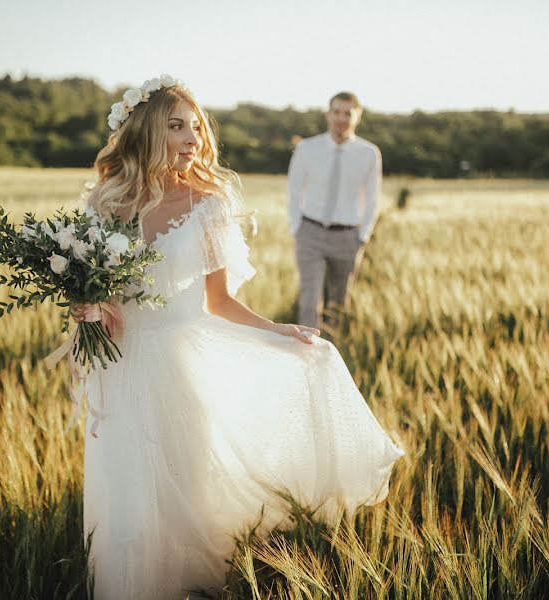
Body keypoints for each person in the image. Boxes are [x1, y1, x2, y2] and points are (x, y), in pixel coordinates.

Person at [72, 76, 403, 599]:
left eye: (197, 127)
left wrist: (279, 330)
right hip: (124, 363)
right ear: (146, 129)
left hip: (181, 366)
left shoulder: (208, 203)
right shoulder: (107, 202)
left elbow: (219, 302)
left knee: (187, 489)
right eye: (177, 125)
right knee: (130, 494)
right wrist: (89, 307)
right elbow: (90, 289)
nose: (192, 138)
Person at [287, 92, 383, 329]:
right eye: (336, 112)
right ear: (328, 114)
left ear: (357, 117)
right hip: (310, 232)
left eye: (347, 113)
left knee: (338, 302)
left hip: (347, 236)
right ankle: (306, 353)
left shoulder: (369, 153)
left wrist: (363, 236)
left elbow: (372, 198)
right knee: (309, 301)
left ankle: (332, 353)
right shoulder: (307, 149)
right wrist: (296, 228)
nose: (341, 118)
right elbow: (294, 190)